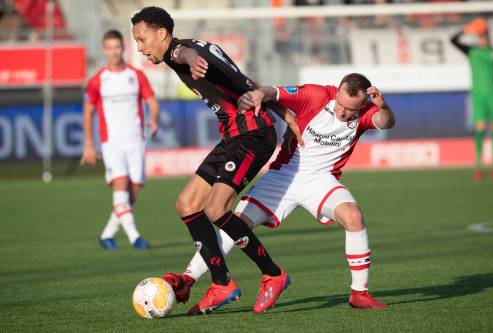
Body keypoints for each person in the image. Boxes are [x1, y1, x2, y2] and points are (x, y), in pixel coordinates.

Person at [165, 73, 394, 310]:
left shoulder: (367, 111)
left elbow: (385, 122)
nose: (343, 112)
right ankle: (189, 278)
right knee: (232, 224)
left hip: (321, 180)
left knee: (353, 217)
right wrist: (257, 94)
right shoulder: (317, 95)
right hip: (283, 175)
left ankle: (360, 294)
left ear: (364, 103)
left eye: (350, 110)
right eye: (341, 105)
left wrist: (384, 106)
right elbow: (273, 92)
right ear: (338, 90)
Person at [131, 6, 303, 315]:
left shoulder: (181, 51)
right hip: (235, 136)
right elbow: (243, 81)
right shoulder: (200, 46)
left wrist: (190, 60)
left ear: (161, 33)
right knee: (187, 204)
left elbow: (181, 54)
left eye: (142, 40)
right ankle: (222, 283)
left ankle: (273, 273)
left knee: (216, 208)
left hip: (252, 134)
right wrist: (285, 113)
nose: (140, 48)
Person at [80, 29, 160, 250]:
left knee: (132, 192)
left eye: (117, 47)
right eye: (109, 48)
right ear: (104, 50)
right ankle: (135, 237)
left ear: (123, 48)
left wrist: (154, 119)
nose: (114, 52)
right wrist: (89, 143)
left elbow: (152, 103)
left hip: (136, 140)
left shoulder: (136, 75)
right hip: (111, 141)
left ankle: (107, 234)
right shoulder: (97, 81)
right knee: (121, 183)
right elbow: (87, 112)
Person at [451, 18, 493, 181]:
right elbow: (453, 40)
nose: (482, 38)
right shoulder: (472, 51)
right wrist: (467, 29)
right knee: (479, 128)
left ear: (488, 37)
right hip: (478, 95)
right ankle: (478, 166)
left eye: (484, 35)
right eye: (480, 35)